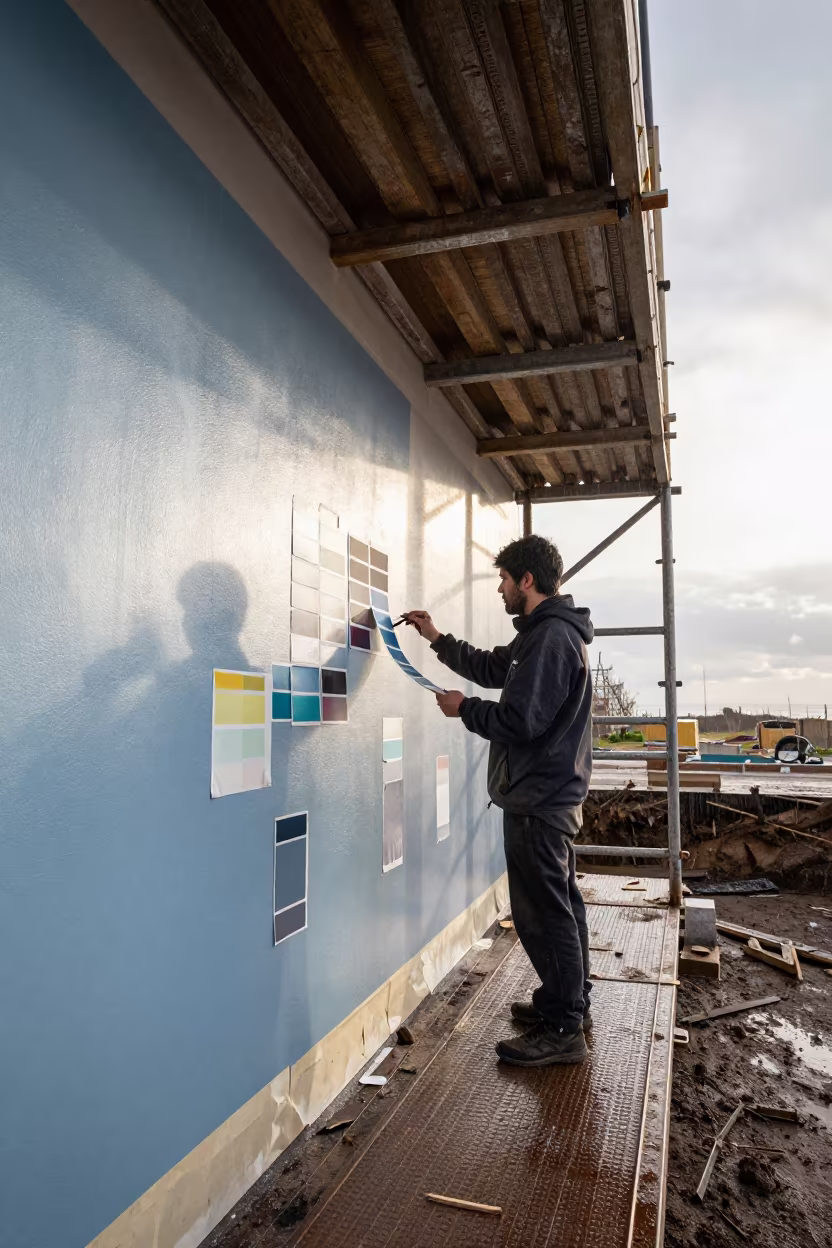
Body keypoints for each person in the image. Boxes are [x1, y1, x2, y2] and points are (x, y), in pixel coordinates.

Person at [403, 535, 594, 1068]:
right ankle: (569, 1005)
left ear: (527, 580)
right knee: (561, 903)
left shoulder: (552, 638)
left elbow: (520, 721)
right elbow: (493, 669)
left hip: (540, 799)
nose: (500, 589)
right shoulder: (542, 636)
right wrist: (437, 638)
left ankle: (563, 1030)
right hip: (546, 794)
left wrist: (464, 710)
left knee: (542, 913)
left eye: (505, 580)